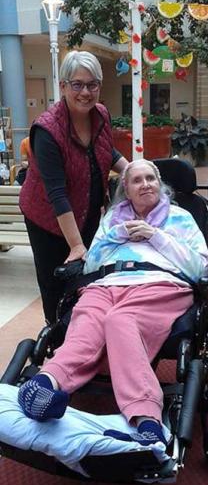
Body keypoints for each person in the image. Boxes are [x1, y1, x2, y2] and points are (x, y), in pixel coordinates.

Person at [16, 159, 208, 446]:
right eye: (137, 180)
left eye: (150, 179)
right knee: (87, 323)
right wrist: (116, 235)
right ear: (126, 191)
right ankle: (43, 386)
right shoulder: (112, 220)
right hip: (106, 283)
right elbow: (92, 262)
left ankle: (146, 419)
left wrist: (156, 237)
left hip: (158, 285)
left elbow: (200, 268)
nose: (145, 184)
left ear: (161, 186)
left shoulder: (181, 218)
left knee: (120, 321)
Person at [19, 50, 130, 322]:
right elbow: (56, 194)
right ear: (63, 86)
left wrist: (136, 173)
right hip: (48, 220)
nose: (85, 92)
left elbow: (107, 152)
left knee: (88, 279)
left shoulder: (100, 114)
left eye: (92, 84)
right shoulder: (46, 131)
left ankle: (84, 332)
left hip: (87, 211)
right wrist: (77, 246)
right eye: (77, 84)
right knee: (56, 283)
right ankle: (57, 338)